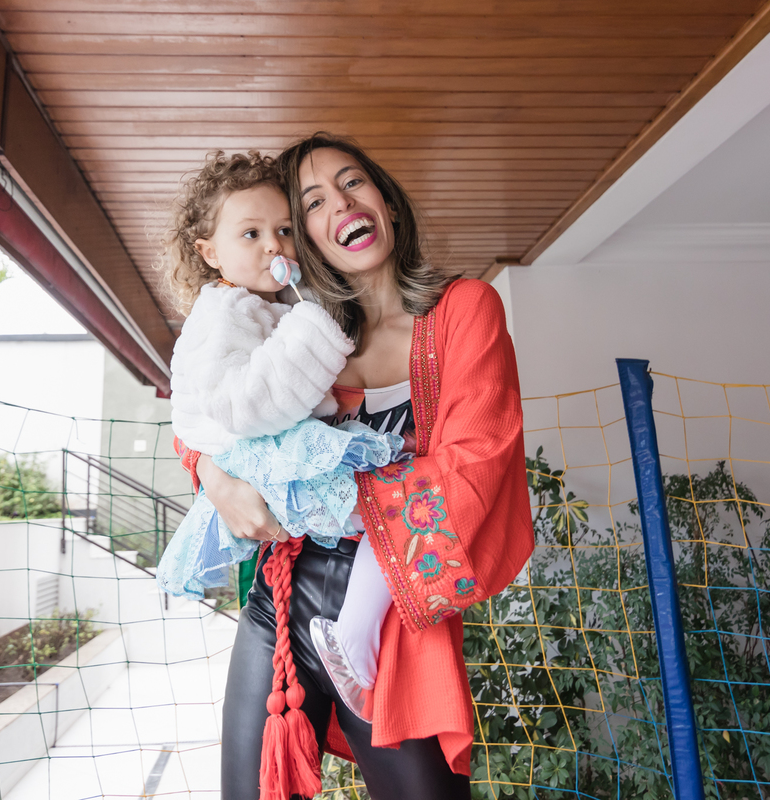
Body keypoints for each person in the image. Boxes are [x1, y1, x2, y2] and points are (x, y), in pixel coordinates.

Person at [189, 134, 533, 800]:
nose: (340, 203)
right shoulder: (299, 332)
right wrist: (212, 473)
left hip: (393, 615)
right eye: (313, 201)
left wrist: (337, 496)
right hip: (282, 604)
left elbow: (476, 464)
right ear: (304, 239)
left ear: (387, 205)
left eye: (353, 183)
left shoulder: (463, 311)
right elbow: (209, 408)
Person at [154, 150, 403, 725]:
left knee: (385, 511)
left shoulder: (256, 306)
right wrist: (316, 325)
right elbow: (246, 403)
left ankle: (353, 635)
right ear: (209, 252)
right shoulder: (223, 313)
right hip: (260, 462)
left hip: (265, 468)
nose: (274, 245)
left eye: (284, 229)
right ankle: (356, 639)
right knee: (390, 510)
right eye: (251, 233)